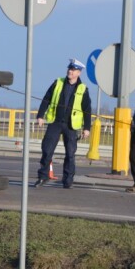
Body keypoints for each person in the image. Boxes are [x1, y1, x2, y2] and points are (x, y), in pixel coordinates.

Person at [34, 58, 92, 189]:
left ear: (79, 73)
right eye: (69, 69)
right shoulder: (58, 83)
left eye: (73, 70)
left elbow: (87, 110)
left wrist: (87, 128)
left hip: (71, 126)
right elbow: (46, 99)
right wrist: (40, 116)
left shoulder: (83, 89)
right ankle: (43, 177)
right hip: (55, 122)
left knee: (70, 154)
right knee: (47, 150)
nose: (70, 71)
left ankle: (68, 180)